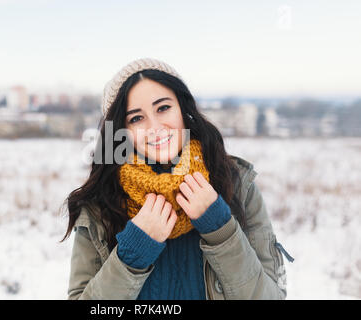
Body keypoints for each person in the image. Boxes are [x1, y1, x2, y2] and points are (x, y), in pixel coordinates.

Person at [61, 57, 293, 300]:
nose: (156, 127)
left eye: (163, 108)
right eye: (136, 118)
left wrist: (220, 229)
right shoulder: (101, 204)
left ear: (182, 108)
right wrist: (133, 253)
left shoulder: (236, 184)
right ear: (121, 129)